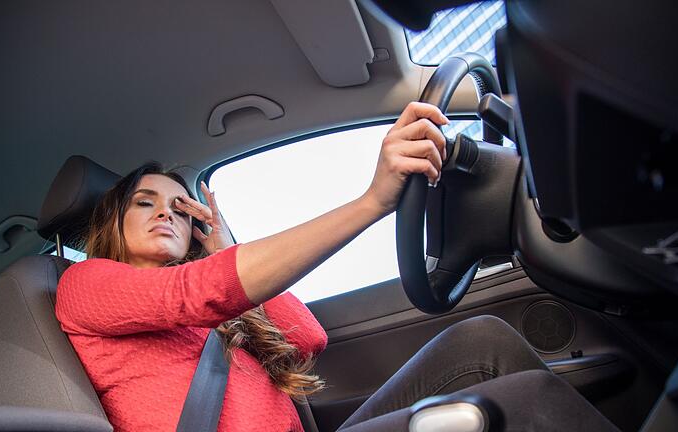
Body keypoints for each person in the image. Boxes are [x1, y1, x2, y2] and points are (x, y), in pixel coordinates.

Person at [56, 103, 618, 431]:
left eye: (180, 206)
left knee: (482, 341)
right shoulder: (88, 285)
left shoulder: (207, 308)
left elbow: (306, 336)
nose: (165, 214)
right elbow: (197, 291)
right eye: (144, 202)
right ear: (112, 222)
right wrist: (373, 201)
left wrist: (226, 245)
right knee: (525, 406)